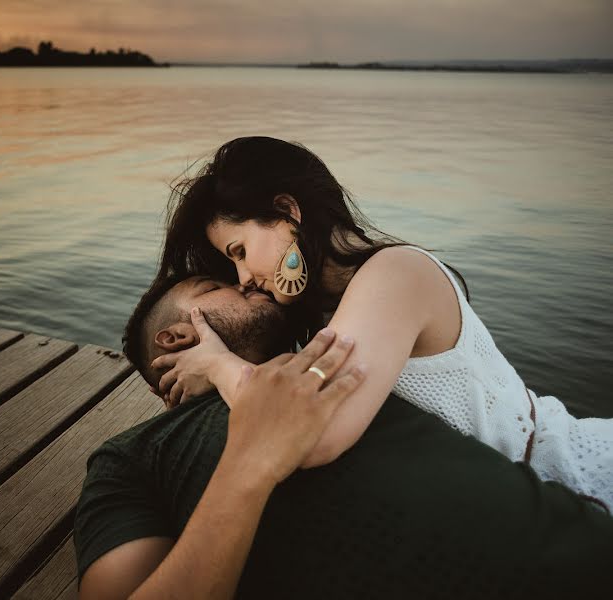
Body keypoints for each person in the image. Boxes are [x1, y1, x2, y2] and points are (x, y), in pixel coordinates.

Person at [75, 274, 613, 599]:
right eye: (216, 287)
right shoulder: (135, 457)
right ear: (176, 339)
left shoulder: (349, 368)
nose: (247, 281)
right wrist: (249, 465)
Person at [149, 135, 612, 510]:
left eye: (240, 252)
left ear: (287, 211)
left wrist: (215, 364)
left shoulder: (397, 275)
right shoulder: (326, 310)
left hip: (573, 480)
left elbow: (313, 436)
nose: (244, 277)